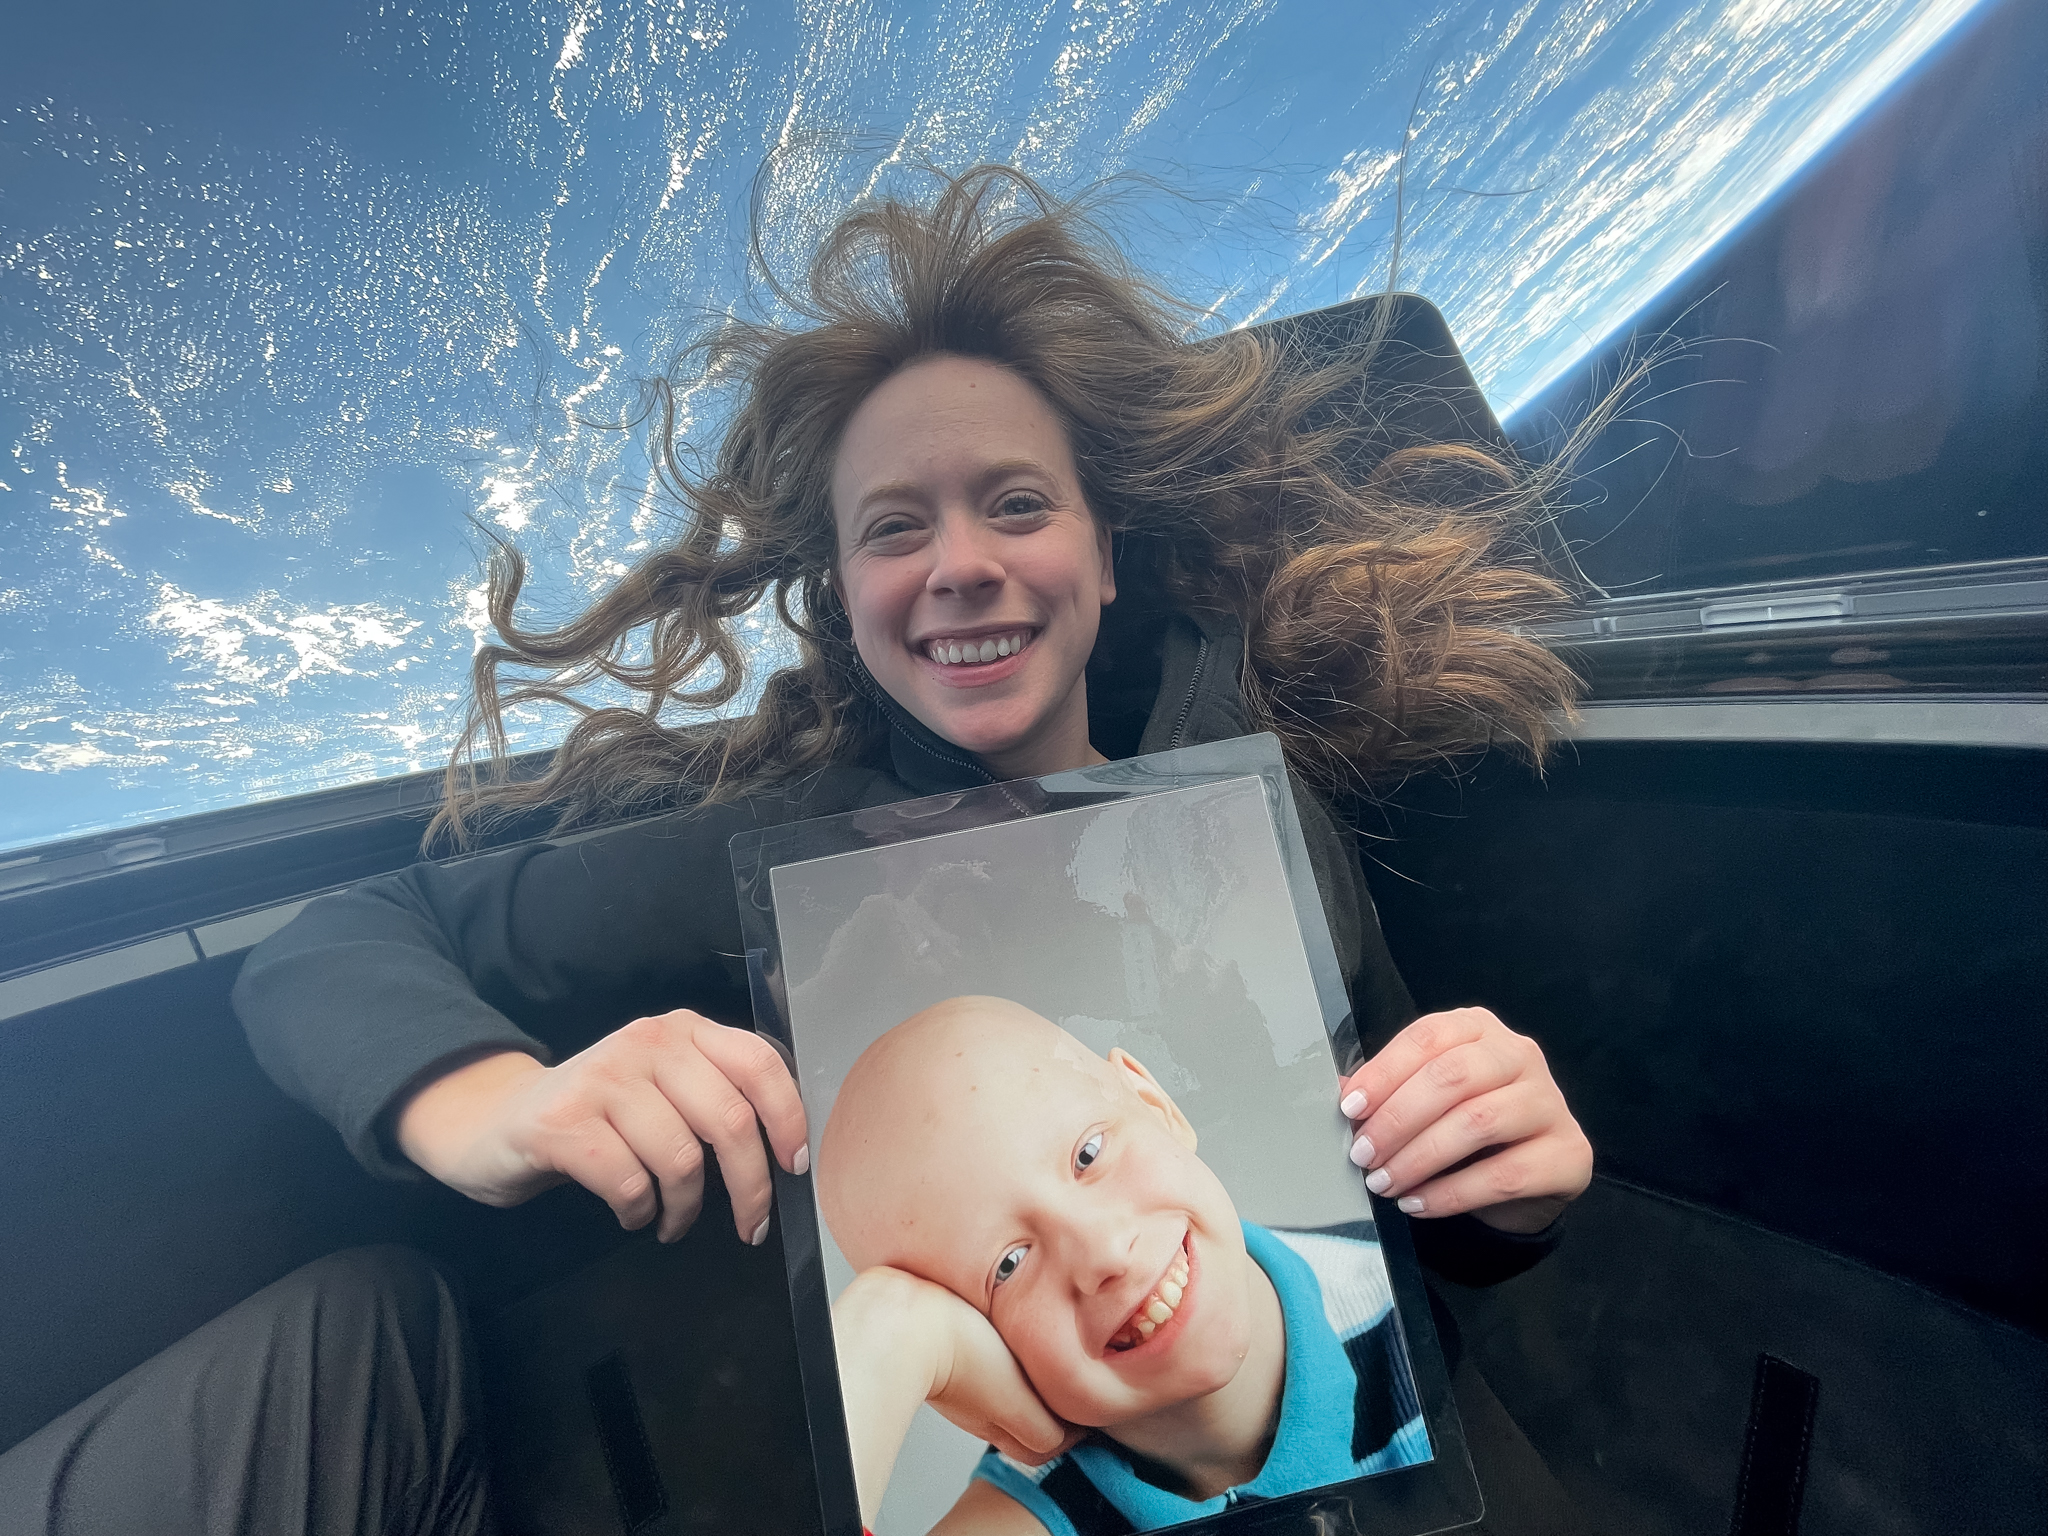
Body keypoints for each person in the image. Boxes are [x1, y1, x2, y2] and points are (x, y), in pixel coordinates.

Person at [0, 165, 1593, 1535]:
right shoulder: (784, 849)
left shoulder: (1259, 814)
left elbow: (1423, 1222)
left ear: (1106, 557)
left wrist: (1507, 1180)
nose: (959, 564)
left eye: (1015, 504)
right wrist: (504, 1108)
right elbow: (332, 943)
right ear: (847, 598)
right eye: (895, 526)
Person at [820, 996, 1431, 1536]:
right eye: (1008, 1266)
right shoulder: (1029, 1519)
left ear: (1154, 1102)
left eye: (1088, 1153)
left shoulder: (1419, 1293)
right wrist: (884, 1334)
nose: (1105, 1253)